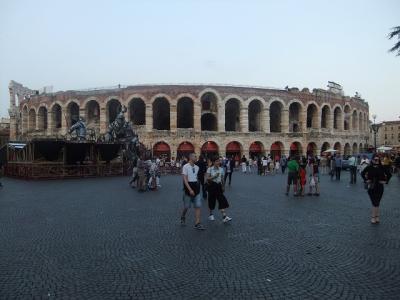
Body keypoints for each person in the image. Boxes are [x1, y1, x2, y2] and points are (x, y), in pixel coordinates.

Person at [181, 153, 205, 230]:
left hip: (196, 187)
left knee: (198, 205)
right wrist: (190, 189)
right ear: (191, 157)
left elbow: (196, 177)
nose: (196, 158)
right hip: (188, 187)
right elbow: (185, 179)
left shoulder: (197, 167)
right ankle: (183, 216)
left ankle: (197, 223)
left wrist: (198, 184)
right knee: (186, 206)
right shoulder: (185, 166)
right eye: (195, 157)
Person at [361, 156, 387, 224]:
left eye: (378, 160)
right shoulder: (369, 167)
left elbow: (389, 174)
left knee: (377, 203)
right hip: (371, 187)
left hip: (380, 187)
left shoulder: (382, 167)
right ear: (372, 160)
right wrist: (366, 180)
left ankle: (376, 217)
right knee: (374, 203)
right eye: (375, 159)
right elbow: (362, 173)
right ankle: (374, 217)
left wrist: (385, 182)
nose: (377, 161)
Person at [206, 157, 232, 223]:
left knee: (221, 200)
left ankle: (224, 216)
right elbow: (207, 178)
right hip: (212, 186)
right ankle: (211, 214)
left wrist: (223, 186)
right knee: (211, 200)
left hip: (218, 186)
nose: (219, 162)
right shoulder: (210, 169)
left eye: (219, 161)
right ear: (213, 162)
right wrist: (214, 176)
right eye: (217, 161)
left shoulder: (221, 169)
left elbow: (222, 179)